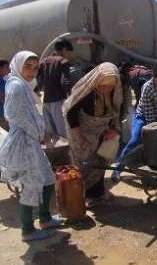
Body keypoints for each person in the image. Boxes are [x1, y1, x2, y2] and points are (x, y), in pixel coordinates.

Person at [0, 51, 61, 242]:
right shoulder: (16, 86)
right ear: (18, 65)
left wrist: (41, 132)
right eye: (27, 67)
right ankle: (28, 230)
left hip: (33, 142)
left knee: (47, 178)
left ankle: (45, 219)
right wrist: (36, 132)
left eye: (35, 67)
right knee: (31, 185)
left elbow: (32, 113)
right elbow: (13, 114)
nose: (31, 71)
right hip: (24, 143)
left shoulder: (23, 84)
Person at [63, 62, 123, 208]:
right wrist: (79, 136)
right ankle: (87, 195)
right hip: (84, 136)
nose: (106, 89)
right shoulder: (86, 94)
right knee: (86, 165)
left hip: (102, 135)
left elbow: (113, 114)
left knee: (100, 163)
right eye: (103, 85)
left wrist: (112, 129)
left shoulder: (113, 95)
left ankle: (98, 193)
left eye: (109, 86)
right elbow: (71, 113)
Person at [111, 57, 157, 182]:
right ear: (154, 76)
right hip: (143, 116)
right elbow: (149, 118)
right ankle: (118, 169)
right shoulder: (147, 88)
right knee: (135, 140)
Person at [37, 40, 73, 138]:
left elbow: (37, 80)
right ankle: (64, 152)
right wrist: (70, 96)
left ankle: (54, 152)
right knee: (62, 131)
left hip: (46, 100)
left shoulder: (44, 61)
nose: (69, 56)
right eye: (69, 53)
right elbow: (65, 82)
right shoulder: (63, 61)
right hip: (58, 100)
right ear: (64, 50)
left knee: (51, 132)